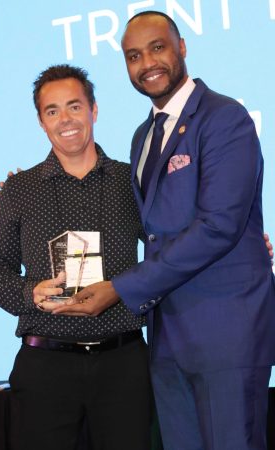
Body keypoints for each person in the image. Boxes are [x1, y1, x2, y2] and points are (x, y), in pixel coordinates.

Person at [53, 11, 275, 450]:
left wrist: (119, 287)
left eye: (157, 47)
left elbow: (217, 226)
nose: (147, 63)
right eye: (134, 56)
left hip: (225, 329)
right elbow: (151, 227)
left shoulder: (224, 118)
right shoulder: (143, 136)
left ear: (182, 47)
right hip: (167, 334)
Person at [0, 64, 155, 450]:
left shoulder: (133, 182)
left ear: (93, 110)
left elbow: (172, 251)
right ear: (41, 121)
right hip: (45, 365)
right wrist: (29, 293)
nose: (66, 119)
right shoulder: (18, 189)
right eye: (52, 111)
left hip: (123, 362)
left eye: (75, 106)